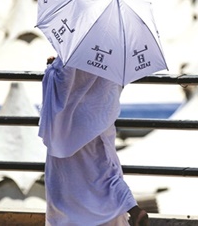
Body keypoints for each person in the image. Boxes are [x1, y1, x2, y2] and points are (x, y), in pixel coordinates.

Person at [39, 56, 149, 226]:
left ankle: (130, 208)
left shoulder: (75, 47)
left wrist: (52, 67)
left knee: (67, 182)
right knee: (104, 172)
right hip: (98, 116)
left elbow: (61, 83)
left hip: (67, 126)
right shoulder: (114, 48)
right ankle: (131, 207)